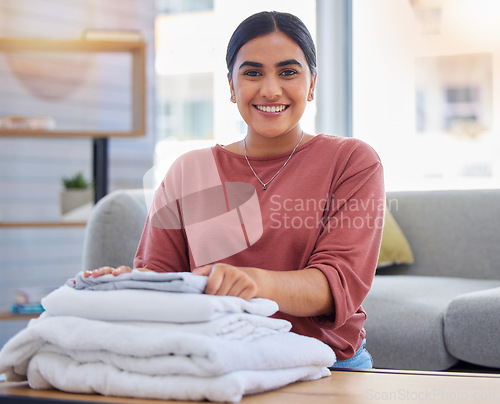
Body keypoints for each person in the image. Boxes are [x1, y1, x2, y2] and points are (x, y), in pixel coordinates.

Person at [86, 11, 385, 369]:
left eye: (288, 72)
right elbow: (164, 278)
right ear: (231, 86)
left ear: (312, 83)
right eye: (252, 72)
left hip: (324, 363)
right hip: (217, 359)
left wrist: (249, 281)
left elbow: (336, 288)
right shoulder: (189, 170)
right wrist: (130, 284)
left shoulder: (352, 161)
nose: (270, 89)